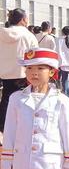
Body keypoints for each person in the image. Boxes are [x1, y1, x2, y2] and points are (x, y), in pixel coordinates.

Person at [0, 8, 38, 143]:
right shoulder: (28, 36)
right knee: (24, 101)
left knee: (5, 100)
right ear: (22, 19)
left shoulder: (2, 33)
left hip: (4, 72)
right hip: (22, 73)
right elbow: (35, 55)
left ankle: (2, 131)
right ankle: (20, 130)